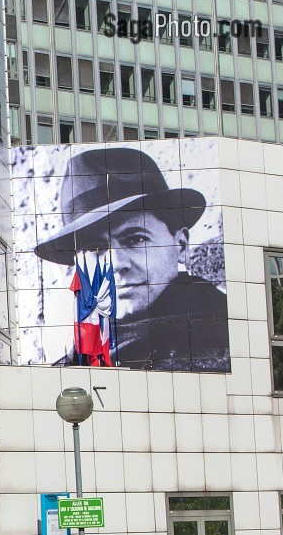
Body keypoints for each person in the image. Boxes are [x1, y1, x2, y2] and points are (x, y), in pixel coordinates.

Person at [35, 146, 228, 371]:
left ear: (181, 245)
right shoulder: (79, 358)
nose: (116, 264)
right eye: (95, 248)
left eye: (135, 239)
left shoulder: (223, 344)